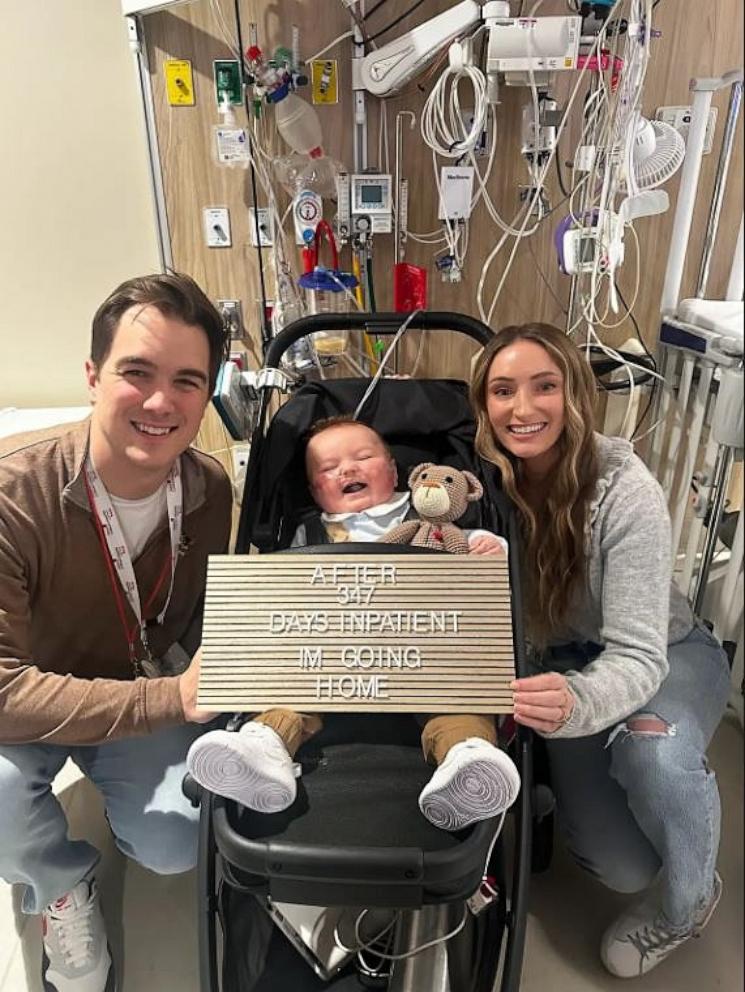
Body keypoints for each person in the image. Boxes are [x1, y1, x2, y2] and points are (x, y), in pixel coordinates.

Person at [470, 322, 731, 979]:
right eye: (502, 390)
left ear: (575, 394)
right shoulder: (479, 483)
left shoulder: (622, 487)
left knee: (654, 752)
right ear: (482, 404)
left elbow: (639, 655)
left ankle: (688, 902)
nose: (522, 408)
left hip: (663, 653)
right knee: (619, 867)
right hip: (556, 664)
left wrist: (578, 703)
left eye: (543, 387)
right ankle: (556, 786)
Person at [0, 273, 232, 992]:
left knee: (171, 846)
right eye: (137, 372)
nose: (162, 402)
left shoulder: (209, 490)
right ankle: (59, 886)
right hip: (31, 699)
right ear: (94, 375)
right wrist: (171, 703)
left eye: (187, 381)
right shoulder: (15, 498)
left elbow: (197, 620)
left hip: (138, 681)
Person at [187, 416, 521, 832]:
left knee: (459, 701)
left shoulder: (430, 512)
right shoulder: (307, 533)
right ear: (313, 490)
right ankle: (265, 747)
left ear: (396, 471)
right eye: (328, 468)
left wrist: (489, 552)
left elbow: (478, 558)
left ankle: (465, 761)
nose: (347, 469)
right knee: (286, 689)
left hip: (426, 660)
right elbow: (281, 601)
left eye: (363, 457)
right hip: (328, 666)